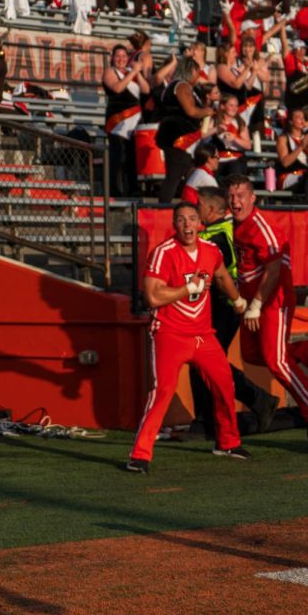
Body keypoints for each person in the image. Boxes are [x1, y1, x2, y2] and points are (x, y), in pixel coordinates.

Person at [126, 202, 251, 473]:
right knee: (163, 391)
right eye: (181, 220)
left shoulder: (210, 250)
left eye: (192, 219)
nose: (187, 225)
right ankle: (140, 454)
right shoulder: (163, 253)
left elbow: (220, 275)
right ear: (174, 225)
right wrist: (187, 288)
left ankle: (227, 442)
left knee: (224, 383)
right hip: (170, 332)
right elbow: (152, 296)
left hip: (202, 333)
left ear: (199, 224)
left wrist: (237, 300)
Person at [227, 175, 308, 438]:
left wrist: (257, 304)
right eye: (232, 196)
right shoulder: (236, 224)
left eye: (241, 196)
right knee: (251, 354)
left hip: (273, 300)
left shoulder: (261, 226)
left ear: (252, 198)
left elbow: (273, 270)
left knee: (276, 360)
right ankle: (306, 351)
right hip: (252, 301)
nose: (235, 202)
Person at [188, 188, 280, 438]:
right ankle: (216, 417)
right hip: (226, 305)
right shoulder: (224, 230)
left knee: (204, 363)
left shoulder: (216, 235)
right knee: (204, 362)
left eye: (198, 207)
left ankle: (213, 419)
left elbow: (219, 272)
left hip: (223, 305)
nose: (194, 213)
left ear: (209, 209)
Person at [156, 59, 219, 203]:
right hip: (178, 139)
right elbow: (191, 111)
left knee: (188, 174)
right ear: (191, 71)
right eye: (198, 72)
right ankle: (162, 207)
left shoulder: (186, 87)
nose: (199, 75)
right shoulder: (181, 85)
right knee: (174, 176)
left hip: (183, 139)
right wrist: (207, 111)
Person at [103, 44, 150, 197]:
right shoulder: (110, 71)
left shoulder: (132, 72)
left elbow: (146, 90)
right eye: (118, 56)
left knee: (131, 157)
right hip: (117, 121)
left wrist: (138, 73)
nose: (121, 59)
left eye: (124, 56)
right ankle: (114, 190)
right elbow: (117, 88)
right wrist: (134, 72)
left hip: (134, 122)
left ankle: (133, 189)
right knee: (118, 157)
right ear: (112, 58)